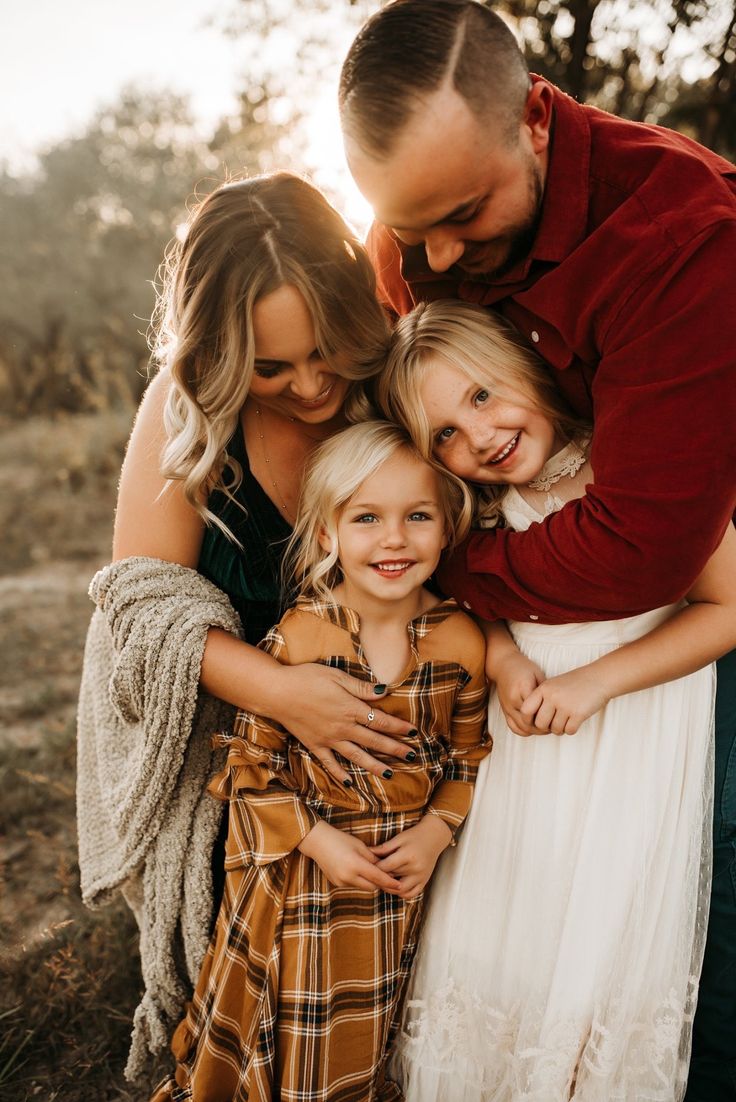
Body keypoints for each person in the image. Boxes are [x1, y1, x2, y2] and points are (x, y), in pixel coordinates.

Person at [338, 3, 736, 1097]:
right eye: (409, 229)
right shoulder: (414, 239)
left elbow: (650, 543)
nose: (437, 257)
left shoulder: (676, 230)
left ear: (537, 122)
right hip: (532, 674)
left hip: (681, 592)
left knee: (689, 876)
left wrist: (443, 571)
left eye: (462, 214)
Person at [76, 173, 422, 1079]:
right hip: (242, 736)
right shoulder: (184, 409)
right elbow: (145, 603)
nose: (311, 384)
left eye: (326, 350)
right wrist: (286, 695)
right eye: (272, 369)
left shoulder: (394, 376)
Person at [377, 298, 736, 1101]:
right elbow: (479, 607)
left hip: (634, 744)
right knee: (506, 932)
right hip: (525, 762)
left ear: (525, 362)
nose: (480, 437)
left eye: (480, 396)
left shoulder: (637, 468)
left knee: (602, 944)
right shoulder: (481, 507)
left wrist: (598, 682)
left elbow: (730, 607)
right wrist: (503, 659)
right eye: (445, 435)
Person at [149, 420, 490, 1101]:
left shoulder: (460, 641)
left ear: (447, 527)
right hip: (300, 879)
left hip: (391, 889)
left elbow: (467, 756)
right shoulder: (304, 636)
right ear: (328, 534)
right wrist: (317, 838)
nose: (394, 539)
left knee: (362, 1025)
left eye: (417, 516)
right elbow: (246, 765)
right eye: (367, 518)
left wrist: (435, 830)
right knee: (284, 1018)